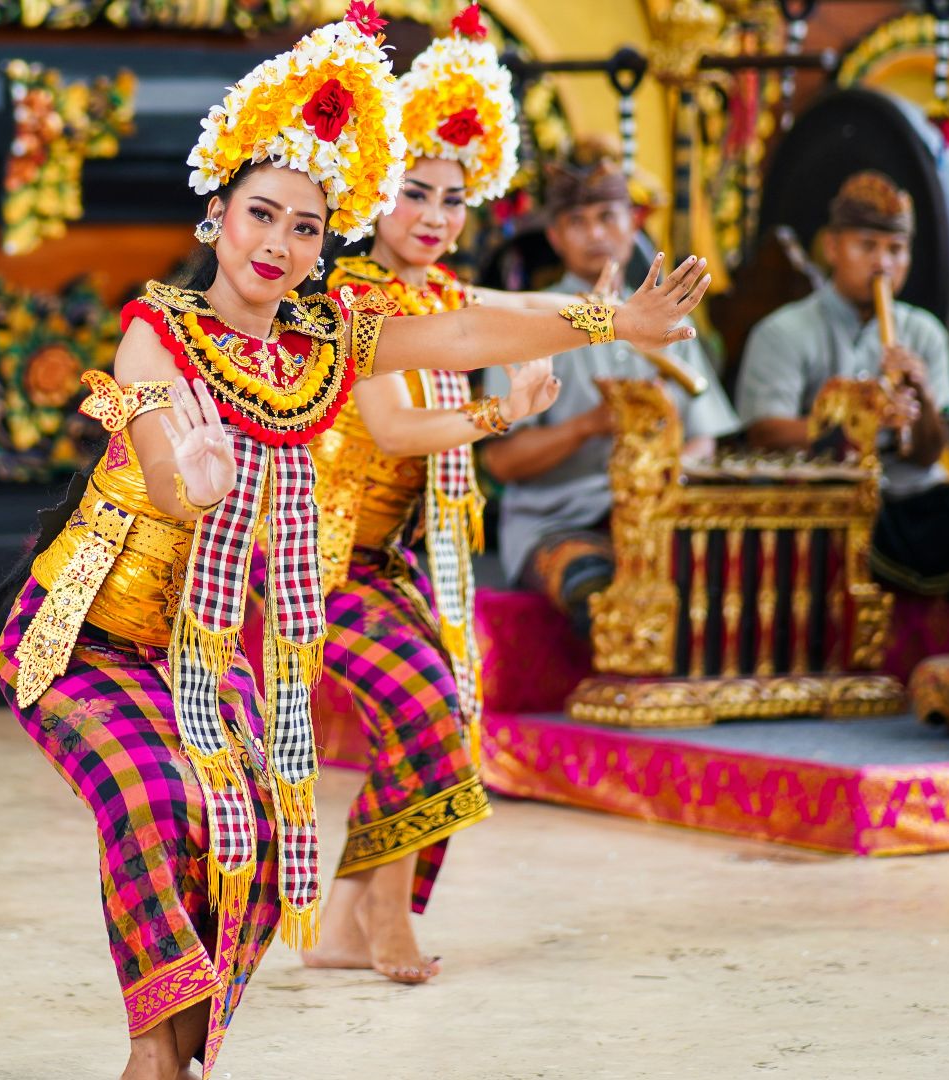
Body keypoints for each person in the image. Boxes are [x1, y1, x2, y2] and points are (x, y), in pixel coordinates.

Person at [0, 7, 713, 1076]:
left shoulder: (329, 339)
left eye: (306, 229)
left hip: (204, 652)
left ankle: (186, 1057)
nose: (278, 245)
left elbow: (468, 328)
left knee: (268, 843)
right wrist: (193, 480)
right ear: (215, 217)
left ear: (327, 244)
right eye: (260, 217)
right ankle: (150, 1057)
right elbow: (159, 454)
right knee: (157, 801)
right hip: (84, 637)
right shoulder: (160, 329)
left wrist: (616, 324)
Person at [303, 5, 562, 986]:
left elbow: (520, 311)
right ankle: (385, 918)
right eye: (416, 192)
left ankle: (348, 921)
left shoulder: (441, 296)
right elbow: (397, 431)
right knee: (421, 716)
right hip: (308, 562)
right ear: (372, 195)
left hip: (390, 562)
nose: (436, 216)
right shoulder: (355, 299)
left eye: (454, 200)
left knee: (449, 707)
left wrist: (611, 321)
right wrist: (505, 416)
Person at [480, 145, 739, 637]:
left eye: (607, 216)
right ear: (555, 236)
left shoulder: (668, 319)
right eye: (577, 221)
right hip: (559, 522)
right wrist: (589, 426)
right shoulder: (528, 323)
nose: (595, 233)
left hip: (657, 517)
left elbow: (705, 437)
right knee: (596, 584)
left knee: (732, 574)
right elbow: (501, 463)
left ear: (634, 221)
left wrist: (667, 479)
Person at [734, 170, 949, 596]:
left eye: (896, 249)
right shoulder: (782, 331)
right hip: (822, 500)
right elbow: (764, 433)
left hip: (909, 497)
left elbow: (929, 453)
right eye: (867, 246)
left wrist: (922, 397)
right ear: (832, 248)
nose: (884, 263)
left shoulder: (925, 334)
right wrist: (862, 421)